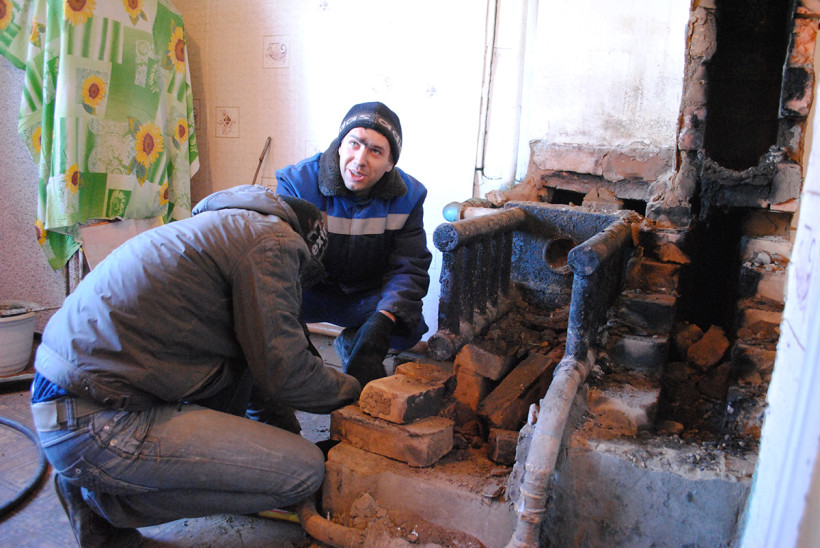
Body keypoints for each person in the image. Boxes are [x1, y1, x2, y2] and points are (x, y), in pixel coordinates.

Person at [29, 184, 361, 547]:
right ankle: (101, 501)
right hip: (94, 421)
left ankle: (97, 481)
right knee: (303, 472)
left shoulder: (226, 230)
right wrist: (359, 391)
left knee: (270, 434)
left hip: (70, 399)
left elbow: (262, 373)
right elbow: (288, 375)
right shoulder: (275, 242)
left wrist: (281, 444)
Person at [276, 102, 432, 387]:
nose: (360, 160)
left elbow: (409, 267)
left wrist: (380, 327)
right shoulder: (297, 184)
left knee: (407, 325)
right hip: (308, 292)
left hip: (363, 295)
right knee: (268, 309)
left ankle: (353, 343)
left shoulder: (409, 197)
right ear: (339, 146)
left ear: (390, 164)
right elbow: (280, 266)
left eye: (375, 151)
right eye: (354, 144)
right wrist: (301, 353)